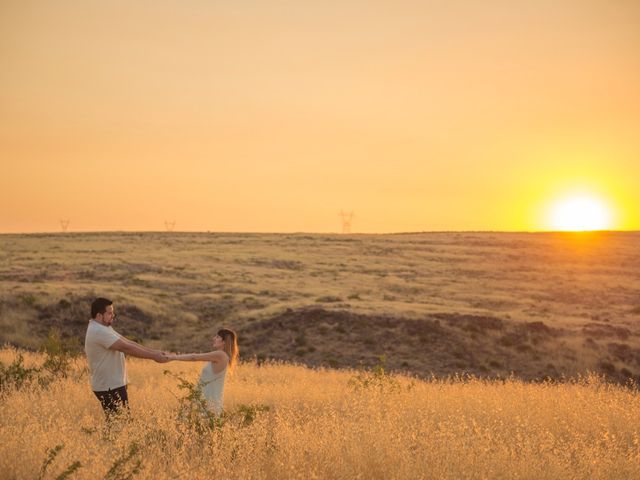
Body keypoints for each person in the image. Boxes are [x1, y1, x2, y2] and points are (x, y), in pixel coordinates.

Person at [84, 297, 169, 418]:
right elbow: (126, 348)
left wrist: (155, 352)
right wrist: (154, 356)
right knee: (121, 425)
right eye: (109, 313)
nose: (113, 315)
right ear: (99, 315)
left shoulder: (104, 328)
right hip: (109, 386)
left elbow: (128, 343)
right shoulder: (98, 331)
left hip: (112, 385)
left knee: (118, 424)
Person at [168, 328, 238, 416]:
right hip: (205, 402)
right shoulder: (222, 355)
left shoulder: (220, 355)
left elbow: (194, 357)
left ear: (224, 341)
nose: (214, 338)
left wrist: (173, 357)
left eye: (217, 337)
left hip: (207, 404)